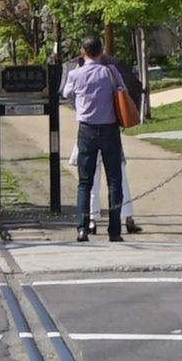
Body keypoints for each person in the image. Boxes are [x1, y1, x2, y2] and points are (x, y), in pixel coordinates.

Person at [62, 34, 132, 242]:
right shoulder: (110, 72)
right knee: (114, 181)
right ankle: (114, 231)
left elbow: (66, 94)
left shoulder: (75, 74)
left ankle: (82, 228)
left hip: (87, 130)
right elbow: (122, 90)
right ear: (101, 52)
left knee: (85, 182)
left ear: (83, 52)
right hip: (110, 128)